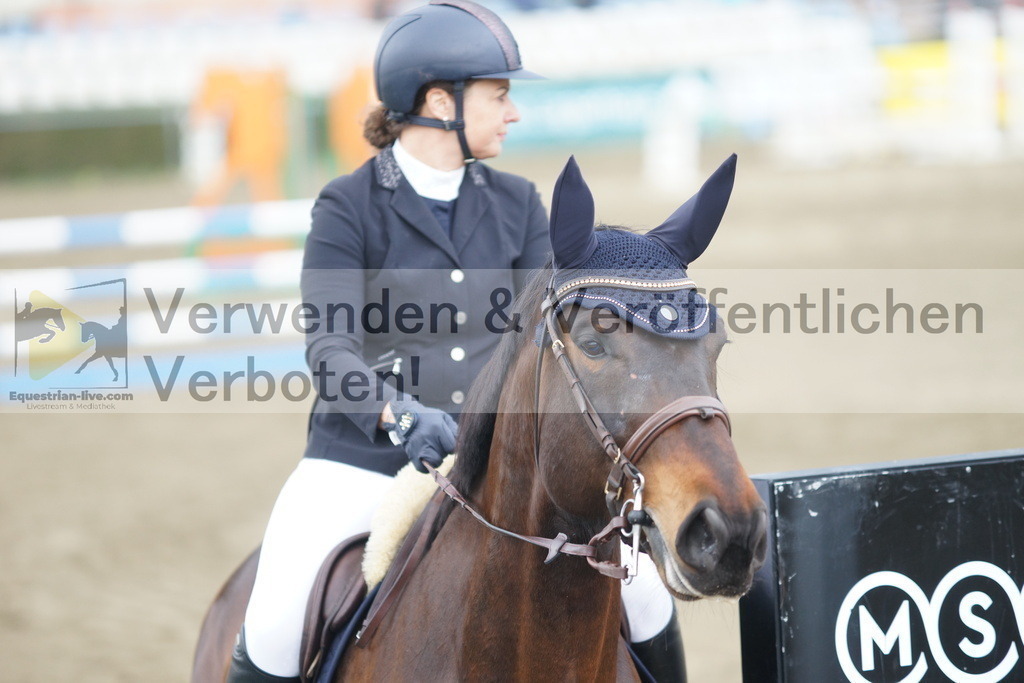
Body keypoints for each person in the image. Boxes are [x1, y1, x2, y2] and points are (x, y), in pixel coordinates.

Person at [228, 2, 685, 681]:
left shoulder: (520, 204)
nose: (513, 111)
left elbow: (547, 343)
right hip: (364, 460)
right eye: (499, 95)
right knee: (274, 615)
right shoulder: (346, 206)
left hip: (495, 467)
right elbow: (331, 354)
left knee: (645, 592)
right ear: (440, 101)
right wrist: (400, 414)